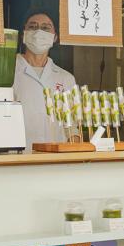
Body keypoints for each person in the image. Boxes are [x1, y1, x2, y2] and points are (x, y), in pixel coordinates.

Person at [14, 11, 79, 146]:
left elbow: (72, 126)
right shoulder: (7, 73)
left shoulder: (66, 78)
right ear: (23, 35)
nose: (39, 32)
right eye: (33, 27)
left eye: (45, 28)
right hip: (18, 158)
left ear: (55, 37)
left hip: (56, 159)